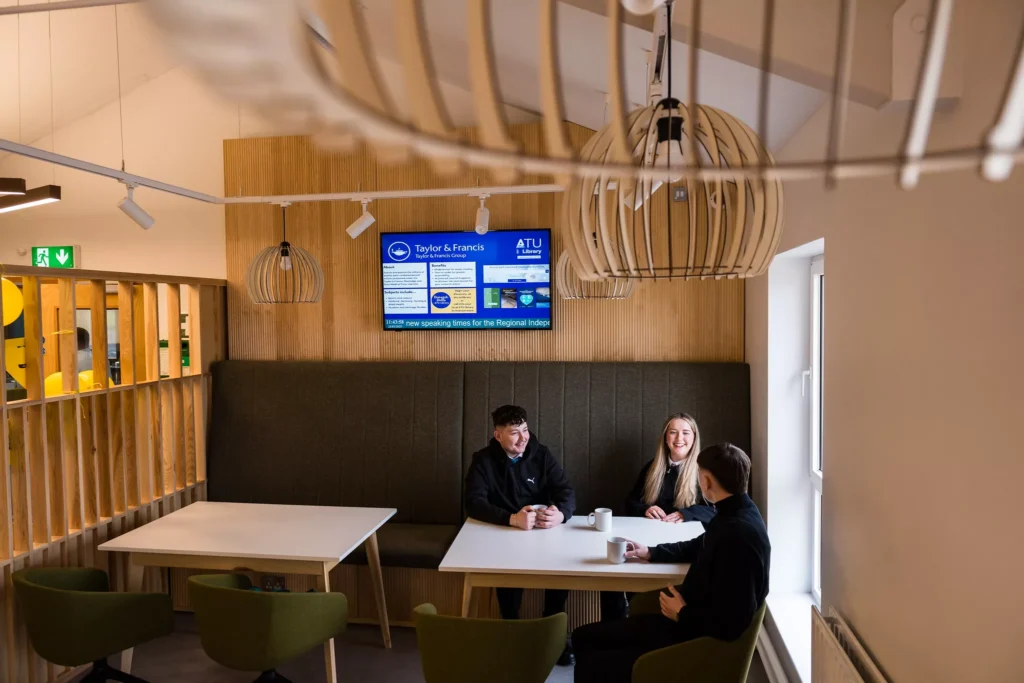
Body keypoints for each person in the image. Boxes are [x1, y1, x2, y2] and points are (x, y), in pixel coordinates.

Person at [572, 444, 770, 683]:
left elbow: (733, 624)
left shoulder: (739, 535)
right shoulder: (736, 513)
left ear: (707, 482)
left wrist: (682, 613)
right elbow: (699, 545)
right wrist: (651, 552)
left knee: (592, 664)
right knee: (582, 637)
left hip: (693, 638)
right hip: (686, 620)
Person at [464, 404, 577, 665]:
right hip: (504, 532)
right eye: (514, 432)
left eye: (525, 430)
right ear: (498, 435)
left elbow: (566, 490)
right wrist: (512, 519)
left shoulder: (541, 454)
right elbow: (473, 502)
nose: (523, 438)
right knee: (507, 569)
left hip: (544, 532)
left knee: (562, 566)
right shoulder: (482, 460)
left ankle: (552, 635)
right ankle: (512, 632)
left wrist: (561, 514)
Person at [601, 414, 715, 622]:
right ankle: (616, 629)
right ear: (665, 437)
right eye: (673, 432)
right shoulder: (653, 467)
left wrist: (686, 513)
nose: (679, 438)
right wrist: (645, 509)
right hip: (648, 542)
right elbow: (631, 502)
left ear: (694, 438)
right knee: (611, 580)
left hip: (681, 549)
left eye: (685, 433)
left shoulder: (703, 472)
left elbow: (715, 512)